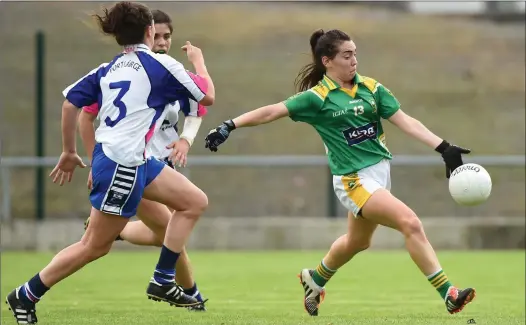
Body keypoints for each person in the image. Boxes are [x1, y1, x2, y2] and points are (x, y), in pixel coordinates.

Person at [204, 29, 475, 317]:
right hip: (353, 179)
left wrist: (443, 147)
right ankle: (449, 293)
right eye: (347, 55)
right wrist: (229, 125)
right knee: (410, 223)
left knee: (358, 241)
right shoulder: (316, 98)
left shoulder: (371, 88)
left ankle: (315, 279)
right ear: (327, 61)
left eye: (355, 53)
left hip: (380, 174)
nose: (354, 60)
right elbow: (272, 111)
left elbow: (405, 121)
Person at [6, 2, 215, 324]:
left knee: (194, 202)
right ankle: (26, 293)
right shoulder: (162, 64)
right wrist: (199, 62)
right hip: (123, 164)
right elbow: (207, 97)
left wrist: (68, 151)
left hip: (132, 159)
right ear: (149, 31)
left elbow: (69, 105)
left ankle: (163, 278)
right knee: (94, 246)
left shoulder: (108, 68)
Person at [79, 9, 208, 311]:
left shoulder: (173, 73)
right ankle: (192, 297)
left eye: (167, 36)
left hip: (161, 165)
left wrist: (186, 140)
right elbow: (86, 118)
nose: (162, 42)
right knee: (172, 231)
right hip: (134, 164)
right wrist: (93, 161)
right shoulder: (131, 72)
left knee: (168, 232)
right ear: (147, 34)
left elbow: (196, 111)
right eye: (157, 35)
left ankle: (122, 232)